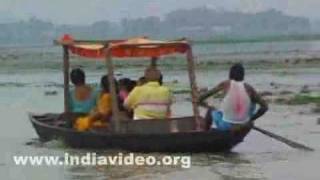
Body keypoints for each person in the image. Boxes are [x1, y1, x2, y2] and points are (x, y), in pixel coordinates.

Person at [198, 63, 268, 131]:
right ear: (243, 75)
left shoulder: (225, 84)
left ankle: (206, 131)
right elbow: (265, 107)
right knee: (252, 102)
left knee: (211, 111)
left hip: (226, 126)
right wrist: (251, 119)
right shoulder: (249, 88)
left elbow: (203, 97)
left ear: (230, 74)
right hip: (243, 124)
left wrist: (199, 100)